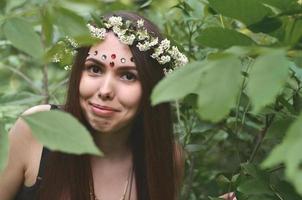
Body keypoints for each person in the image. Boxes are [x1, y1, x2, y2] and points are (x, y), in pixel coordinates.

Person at [0, 11, 188, 200]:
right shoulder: (37, 129)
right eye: (95, 69)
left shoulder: (167, 157)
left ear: (153, 87)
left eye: (128, 76)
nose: (105, 90)